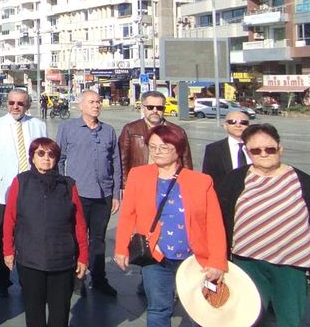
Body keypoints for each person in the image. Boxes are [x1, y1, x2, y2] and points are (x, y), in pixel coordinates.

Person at [217, 123, 310, 327]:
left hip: (291, 267)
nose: (263, 154)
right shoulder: (235, 180)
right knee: (247, 319)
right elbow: (220, 221)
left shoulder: (302, 181)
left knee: (289, 320)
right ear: (247, 151)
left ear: (280, 148)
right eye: (256, 150)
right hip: (246, 263)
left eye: (269, 149)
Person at [114, 125, 227, 327]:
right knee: (158, 309)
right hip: (156, 256)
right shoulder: (139, 175)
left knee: (200, 312)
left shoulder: (201, 181)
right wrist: (121, 248)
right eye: (153, 146)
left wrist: (217, 261)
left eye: (164, 147)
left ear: (179, 149)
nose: (157, 151)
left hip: (196, 260)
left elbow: (214, 223)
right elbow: (128, 215)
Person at [2, 137, 86, 327]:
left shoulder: (69, 185)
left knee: (59, 315)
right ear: (32, 157)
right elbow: (10, 219)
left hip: (62, 261)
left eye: (51, 154)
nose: (46, 158)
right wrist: (8, 250)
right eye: (40, 153)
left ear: (57, 159)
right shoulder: (21, 182)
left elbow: (79, 224)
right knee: (34, 313)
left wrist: (83, 256)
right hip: (31, 260)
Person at [55, 89, 121, 297]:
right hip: (78, 193)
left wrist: (116, 194)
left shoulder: (108, 131)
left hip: (103, 194)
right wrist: (62, 188)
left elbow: (116, 163)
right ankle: (77, 279)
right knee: (76, 237)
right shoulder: (68, 129)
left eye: (99, 102)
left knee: (98, 239)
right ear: (81, 105)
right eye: (92, 102)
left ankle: (99, 278)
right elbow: (59, 159)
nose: (96, 105)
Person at [0, 88, 47, 294]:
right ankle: (1, 278)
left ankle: (28, 277)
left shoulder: (38, 125)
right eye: (11, 103)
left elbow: (45, 158)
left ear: (27, 105)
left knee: (30, 235)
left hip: (32, 191)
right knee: (2, 235)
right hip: (4, 191)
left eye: (20, 103)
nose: (15, 107)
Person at [118, 91, 193, 188]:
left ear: (164, 109)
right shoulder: (130, 129)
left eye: (159, 108)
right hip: (141, 183)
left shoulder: (177, 131)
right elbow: (123, 161)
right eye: (150, 107)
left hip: (171, 185)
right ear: (143, 108)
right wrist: (125, 186)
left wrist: (188, 185)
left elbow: (186, 162)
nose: (155, 111)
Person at [201, 110, 254, 185]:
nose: (238, 125)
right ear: (225, 126)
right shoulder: (213, 149)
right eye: (232, 122)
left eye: (243, 122)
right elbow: (208, 179)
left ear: (249, 126)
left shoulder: (259, 147)